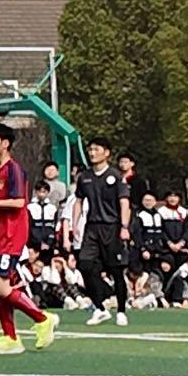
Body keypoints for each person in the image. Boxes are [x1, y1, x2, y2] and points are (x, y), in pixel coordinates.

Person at [0, 124, 58, 356]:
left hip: (10, 236)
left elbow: (19, 202)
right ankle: (10, 337)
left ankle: (42, 319)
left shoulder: (13, 170)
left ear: (5, 143)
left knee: (0, 286)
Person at [72, 139, 132, 327]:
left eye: (96, 149)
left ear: (106, 153)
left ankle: (121, 310)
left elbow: (124, 202)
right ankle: (100, 308)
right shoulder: (84, 177)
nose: (92, 153)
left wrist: (124, 227)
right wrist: (75, 224)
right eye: (90, 150)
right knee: (84, 265)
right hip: (92, 228)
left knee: (116, 270)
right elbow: (78, 201)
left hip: (112, 227)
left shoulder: (115, 176)